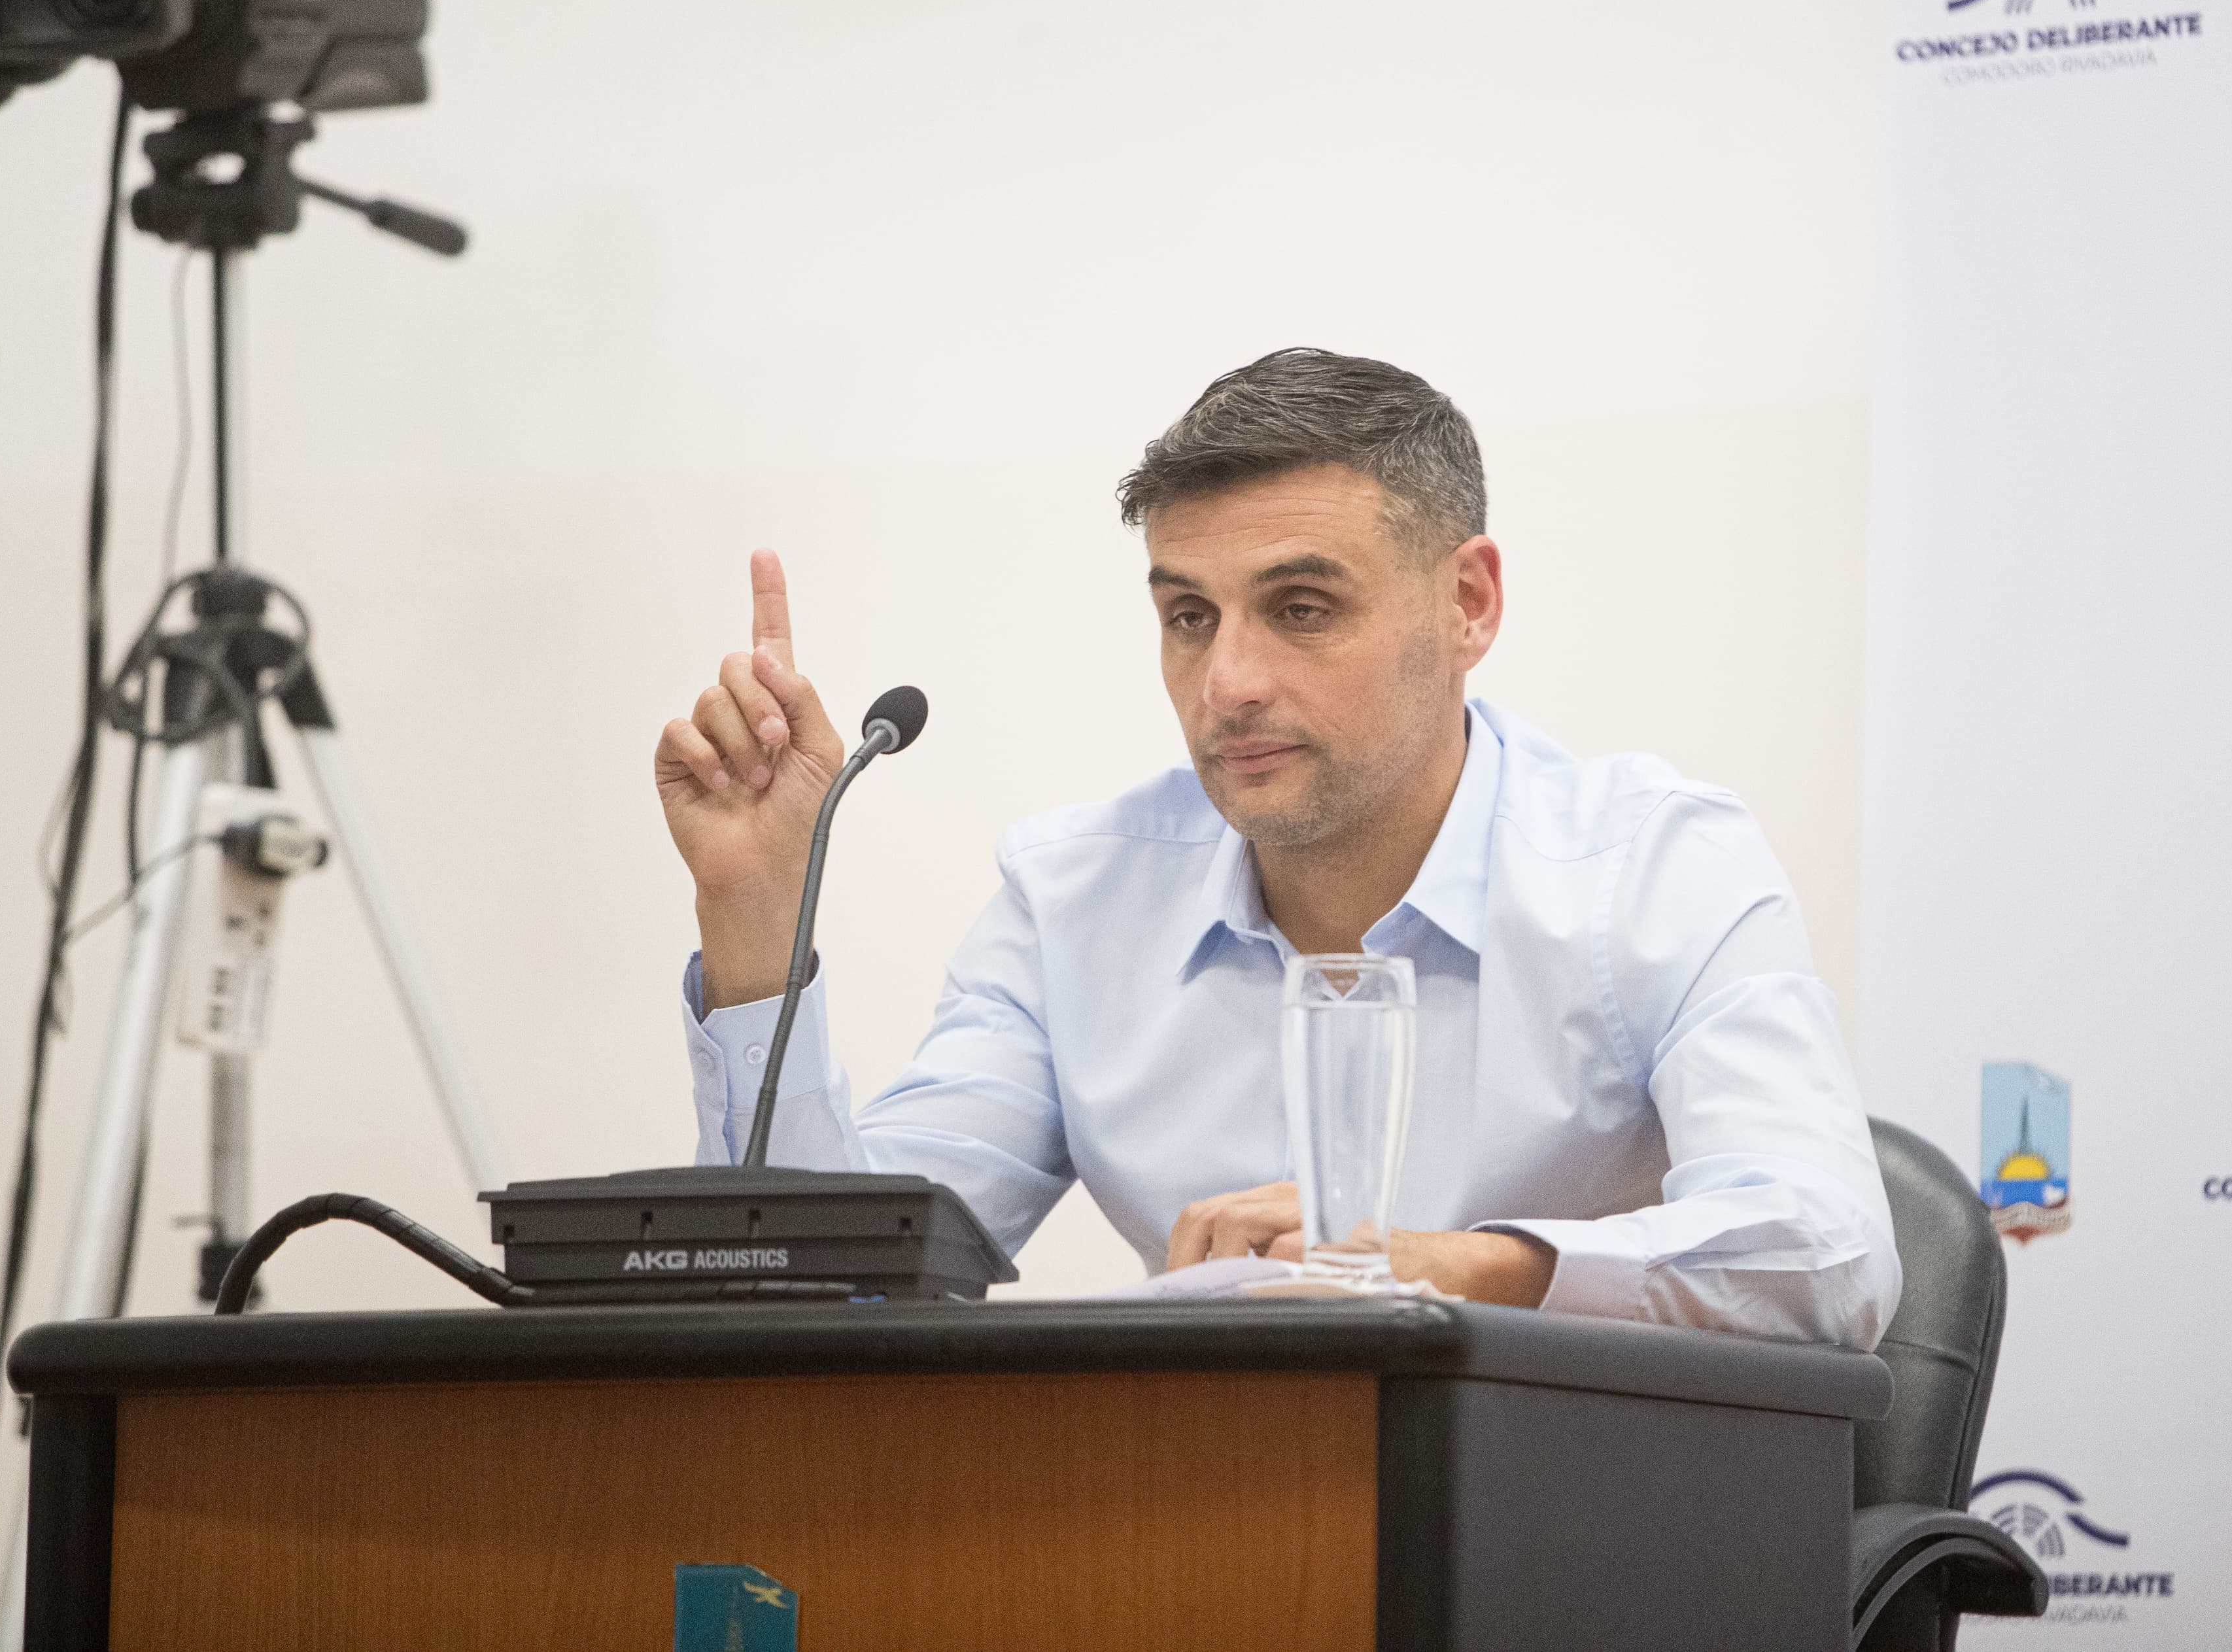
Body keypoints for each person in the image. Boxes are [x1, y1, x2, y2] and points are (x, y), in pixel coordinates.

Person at [655, 348, 1900, 1345]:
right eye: (1189, 616)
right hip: (1219, 1519)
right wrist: (757, 917)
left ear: (1468, 604)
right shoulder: (1074, 901)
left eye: (1302, 609)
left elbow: (1828, 1250)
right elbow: (830, 1289)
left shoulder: (1653, 869)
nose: (1229, 682)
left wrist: (1445, 1271)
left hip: (1562, 1525)